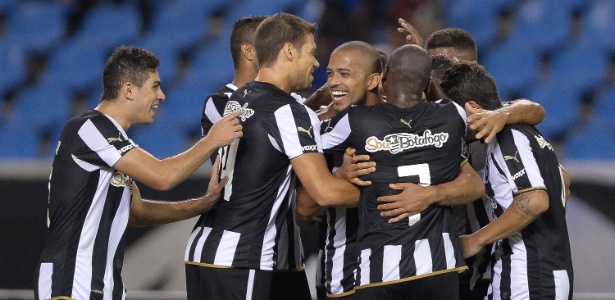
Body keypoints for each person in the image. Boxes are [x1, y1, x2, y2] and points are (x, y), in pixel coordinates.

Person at [34, 46, 243, 300]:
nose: (162, 95)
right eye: (155, 86)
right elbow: (161, 176)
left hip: (102, 286)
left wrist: (202, 204)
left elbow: (138, 212)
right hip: (70, 284)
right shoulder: (91, 127)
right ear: (129, 90)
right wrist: (213, 140)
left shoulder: (111, 144)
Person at [183, 13, 362, 300]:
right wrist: (388, 193)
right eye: (312, 53)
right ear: (289, 51)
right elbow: (325, 192)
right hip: (242, 257)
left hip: (206, 250)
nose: (316, 64)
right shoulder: (288, 111)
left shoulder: (237, 100)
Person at [315, 44, 484, 299]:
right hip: (440, 266)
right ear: (427, 83)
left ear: (382, 79)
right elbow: (443, 102)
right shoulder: (452, 116)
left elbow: (302, 142)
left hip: (380, 269)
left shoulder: (356, 121)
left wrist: (316, 104)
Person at [393, 19, 548, 299]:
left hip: (490, 255)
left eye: (448, 64)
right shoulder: (427, 118)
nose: (445, 72)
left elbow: (535, 109)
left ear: (472, 65)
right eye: (435, 65)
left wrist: (503, 115)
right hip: (446, 256)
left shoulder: (490, 118)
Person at [191, 15, 312, 300]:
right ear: (249, 51)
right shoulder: (222, 102)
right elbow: (271, 129)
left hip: (285, 255)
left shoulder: (292, 104)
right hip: (243, 249)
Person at [440, 62, 574, 300]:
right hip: (540, 270)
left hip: (530, 277)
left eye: (454, 115)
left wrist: (476, 239)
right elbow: (563, 178)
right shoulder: (527, 131)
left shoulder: (507, 138)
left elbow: (535, 200)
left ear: (471, 108)